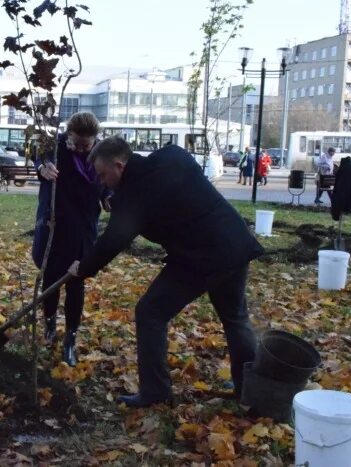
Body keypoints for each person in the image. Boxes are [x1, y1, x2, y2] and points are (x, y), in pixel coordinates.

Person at [68, 136, 263, 408]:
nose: (101, 181)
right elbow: (173, 192)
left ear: (120, 165)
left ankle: (155, 392)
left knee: (150, 313)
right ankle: (251, 390)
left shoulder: (135, 194)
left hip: (200, 256)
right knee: (235, 318)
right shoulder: (172, 156)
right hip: (234, 242)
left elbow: (112, 241)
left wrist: (83, 269)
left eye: (103, 175)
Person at [33, 111, 108, 366]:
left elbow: (106, 186)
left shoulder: (100, 155)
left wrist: (109, 197)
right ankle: (50, 327)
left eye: (86, 144)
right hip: (54, 226)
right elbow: (37, 157)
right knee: (51, 279)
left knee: (76, 283)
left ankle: (70, 340)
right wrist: (42, 168)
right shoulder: (55, 149)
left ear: (95, 140)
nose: (80, 147)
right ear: (69, 133)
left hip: (83, 231)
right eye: (76, 141)